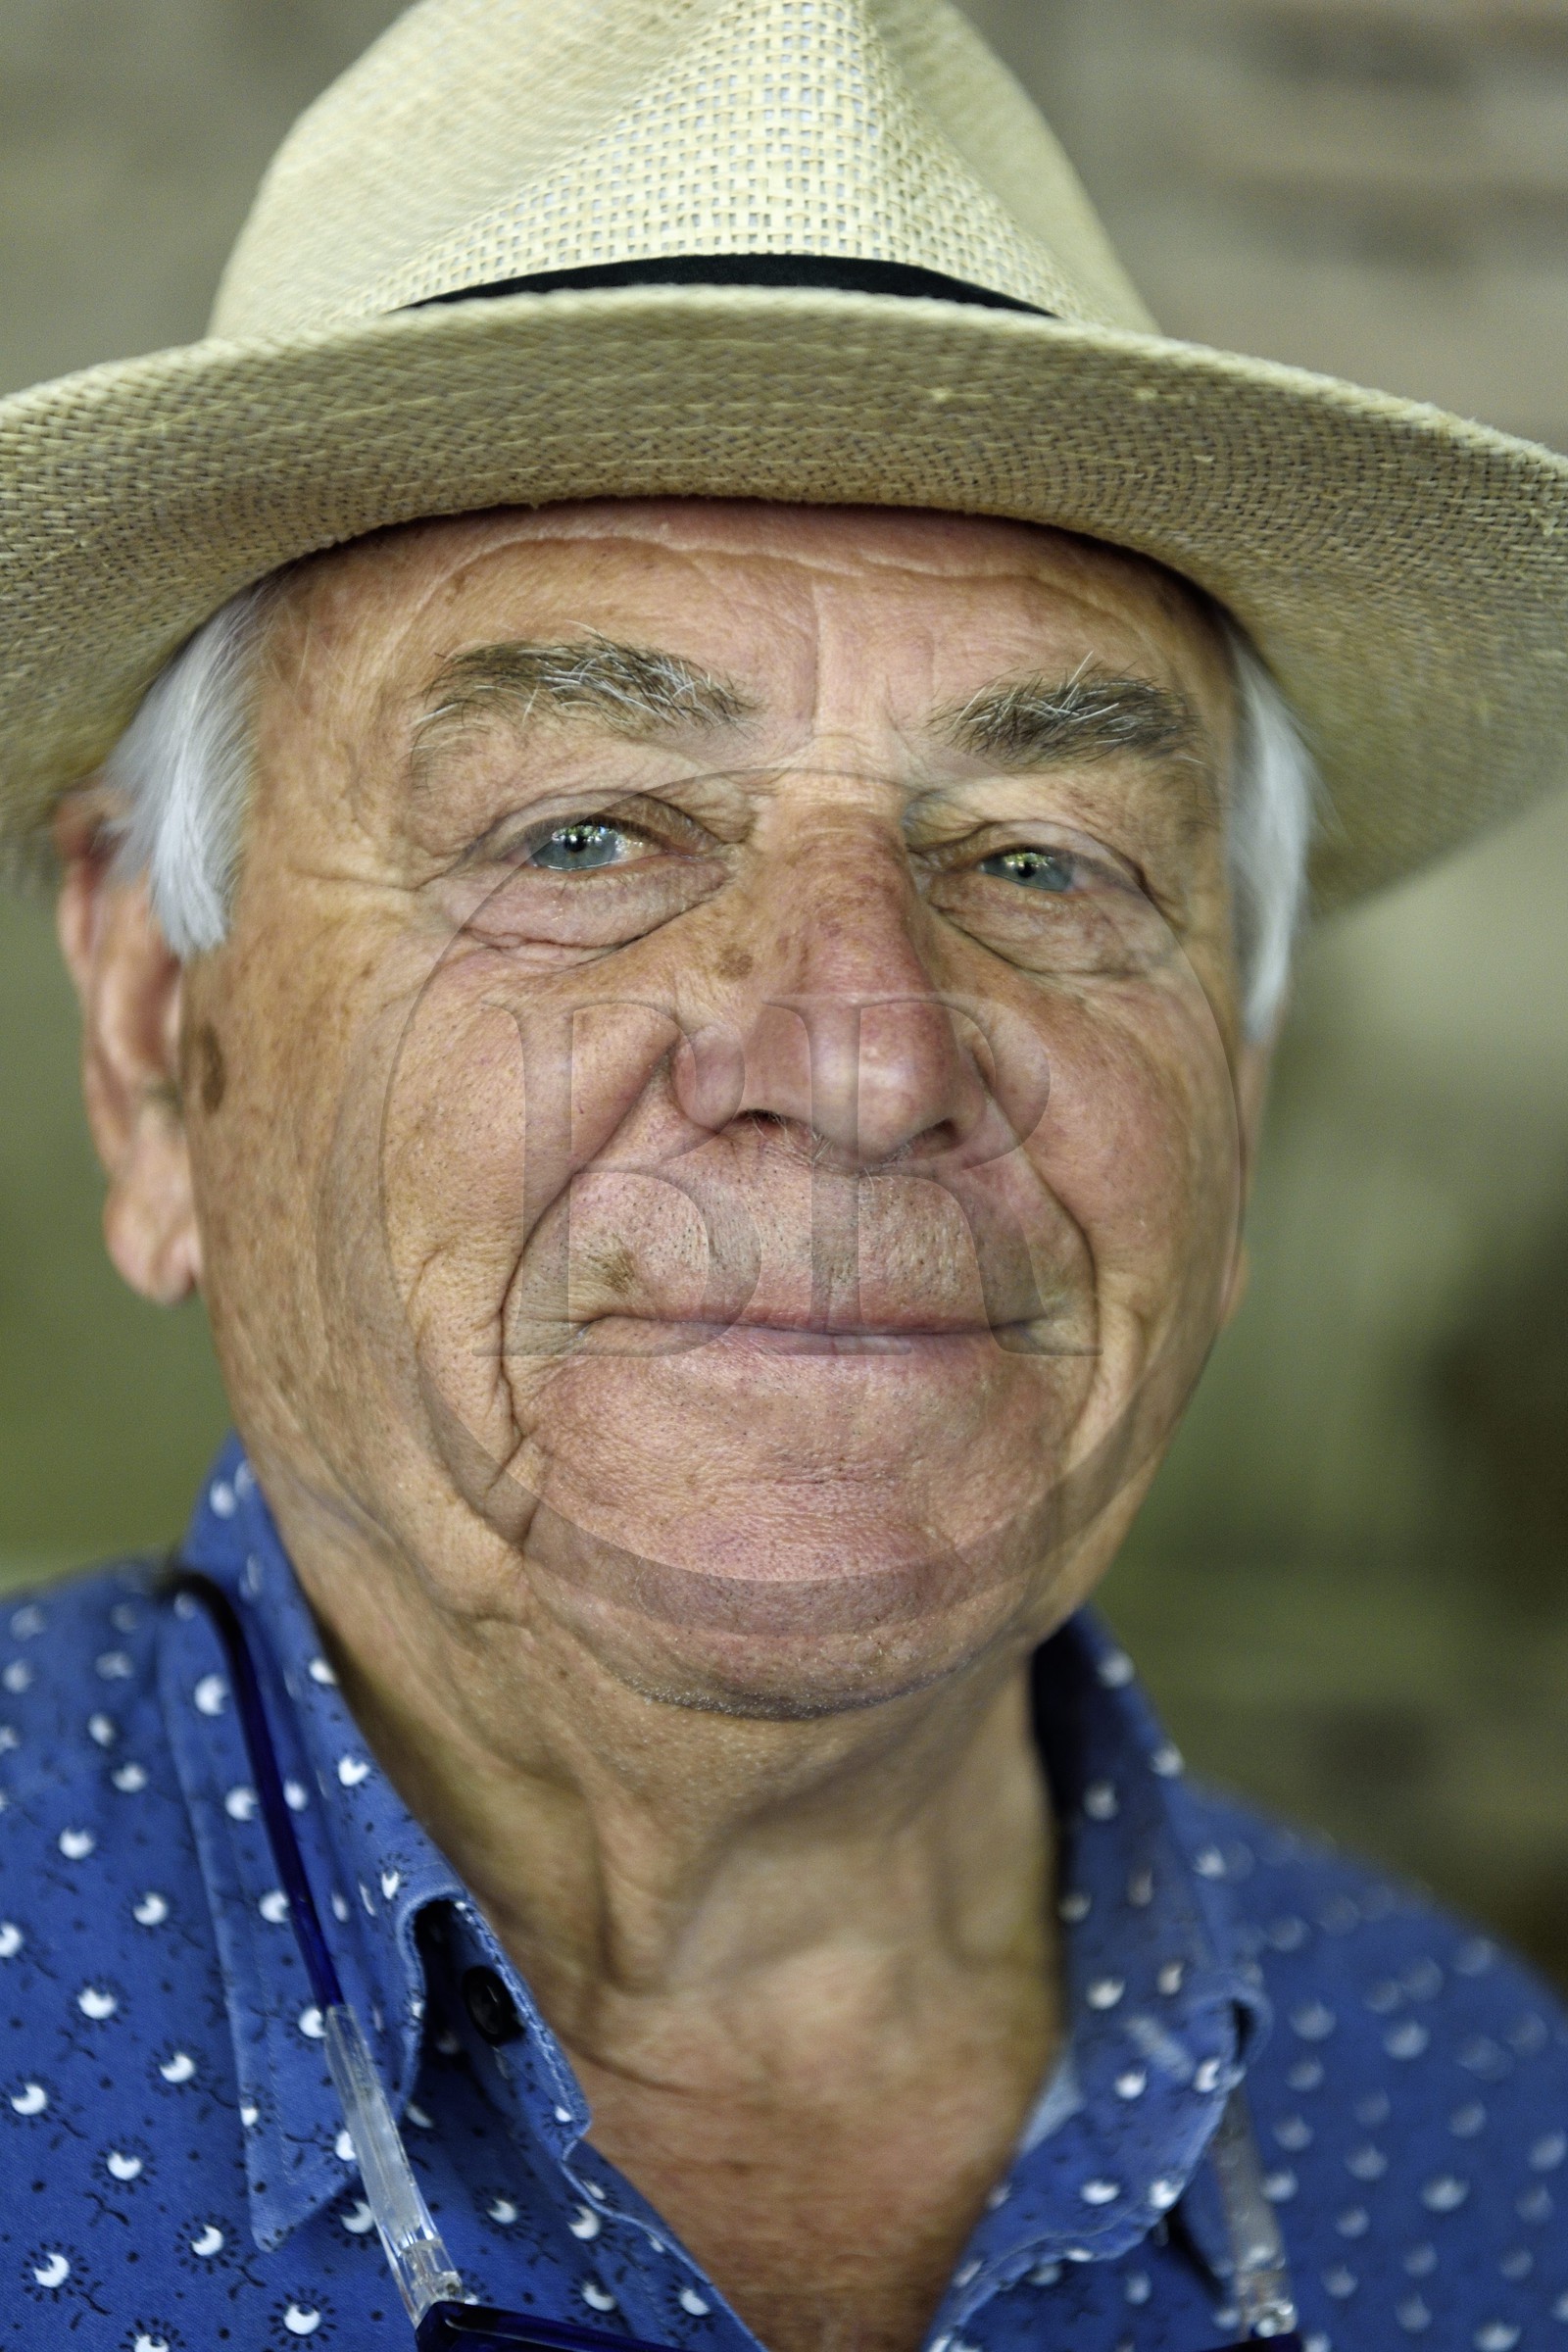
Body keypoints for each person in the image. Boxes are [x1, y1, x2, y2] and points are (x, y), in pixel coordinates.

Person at [2, 3, 1566, 2347]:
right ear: (153, 1036)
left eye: (1039, 861)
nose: (864, 1051)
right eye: (584, 835)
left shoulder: (1477, 2129)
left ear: (1232, 1107)